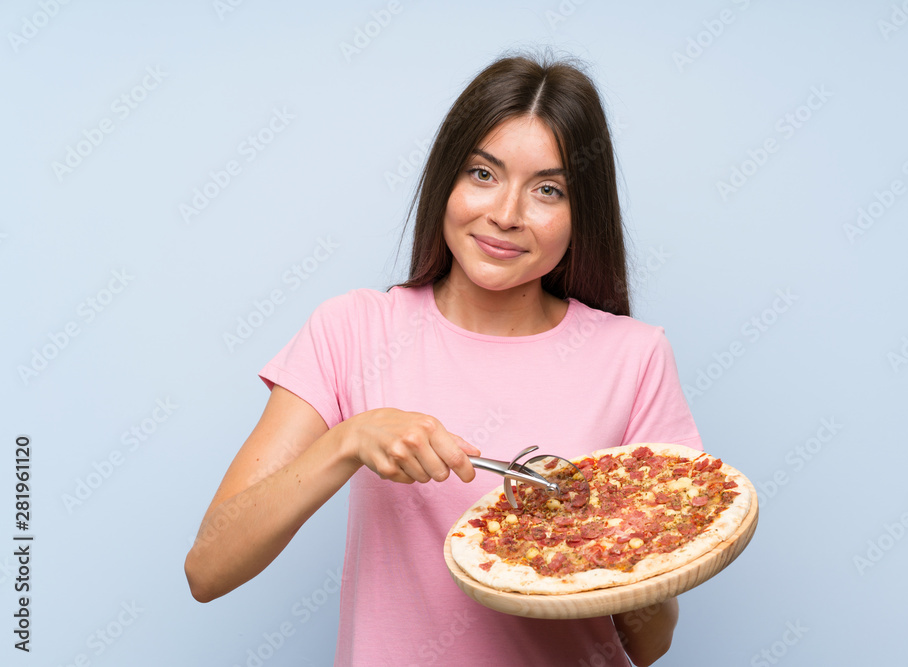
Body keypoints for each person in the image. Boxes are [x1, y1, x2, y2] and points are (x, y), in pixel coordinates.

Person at [184, 53, 702, 667]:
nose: (506, 214)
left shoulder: (633, 356)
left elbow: (650, 643)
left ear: (580, 210)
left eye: (547, 189)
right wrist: (348, 441)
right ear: (446, 180)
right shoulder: (352, 330)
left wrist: (606, 538)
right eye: (483, 174)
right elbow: (208, 569)